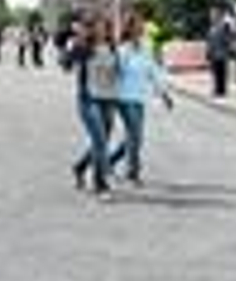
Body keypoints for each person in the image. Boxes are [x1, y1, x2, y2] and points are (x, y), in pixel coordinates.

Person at [106, 12, 173, 186]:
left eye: (142, 24)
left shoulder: (146, 47)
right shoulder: (122, 50)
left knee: (133, 136)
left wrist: (164, 93)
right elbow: (114, 74)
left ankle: (109, 161)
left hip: (139, 97)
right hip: (123, 98)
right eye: (137, 24)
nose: (141, 27)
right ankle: (133, 173)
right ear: (130, 28)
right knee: (135, 135)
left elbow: (153, 71)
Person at [68, 17, 121, 200]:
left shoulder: (113, 48)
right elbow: (66, 63)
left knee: (101, 141)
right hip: (89, 100)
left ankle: (80, 167)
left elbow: (118, 73)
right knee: (100, 140)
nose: (102, 31)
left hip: (109, 100)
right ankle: (100, 184)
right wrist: (77, 41)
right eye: (98, 28)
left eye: (106, 28)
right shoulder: (84, 48)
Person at [205, 5, 234, 98]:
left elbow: (228, 39)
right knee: (215, 72)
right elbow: (209, 41)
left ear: (219, 15)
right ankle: (217, 89)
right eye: (211, 15)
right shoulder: (211, 28)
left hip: (221, 53)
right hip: (214, 53)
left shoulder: (224, 26)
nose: (212, 16)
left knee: (221, 73)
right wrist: (208, 52)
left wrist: (228, 49)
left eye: (214, 14)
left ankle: (221, 90)